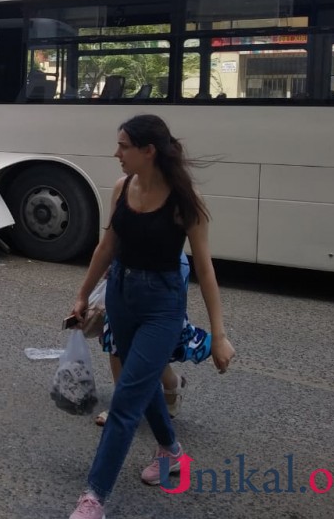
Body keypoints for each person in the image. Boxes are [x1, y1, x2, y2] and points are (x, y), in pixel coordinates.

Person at [67, 114, 235, 519]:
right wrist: (82, 294)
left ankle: (93, 499)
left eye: (124, 146)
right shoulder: (122, 188)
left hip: (162, 304)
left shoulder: (184, 203)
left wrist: (219, 335)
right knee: (138, 383)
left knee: (125, 400)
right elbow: (107, 247)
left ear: (148, 151)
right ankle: (171, 451)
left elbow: (206, 270)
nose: (116, 153)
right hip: (122, 296)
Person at [92, 252, 212, 427]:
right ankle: (122, 405)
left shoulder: (188, 224)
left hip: (166, 271)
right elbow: (114, 234)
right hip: (128, 266)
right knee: (118, 335)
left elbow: (205, 266)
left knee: (152, 339)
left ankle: (169, 385)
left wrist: (220, 333)